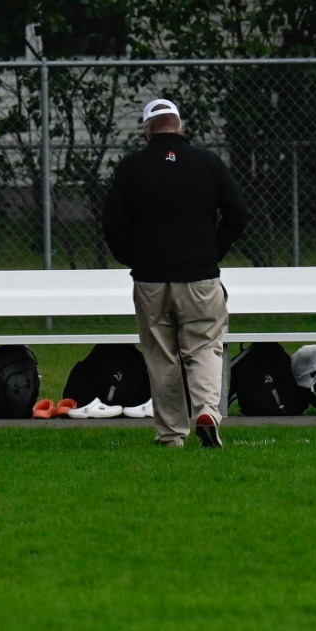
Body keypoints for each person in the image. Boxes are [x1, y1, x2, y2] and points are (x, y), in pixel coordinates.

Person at [101, 98, 252, 449]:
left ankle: (171, 434)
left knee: (161, 355)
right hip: (199, 276)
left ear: (147, 131)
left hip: (151, 278)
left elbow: (112, 222)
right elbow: (239, 213)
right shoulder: (208, 163)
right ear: (180, 127)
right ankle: (207, 411)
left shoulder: (132, 167)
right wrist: (214, 249)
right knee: (204, 346)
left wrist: (132, 257)